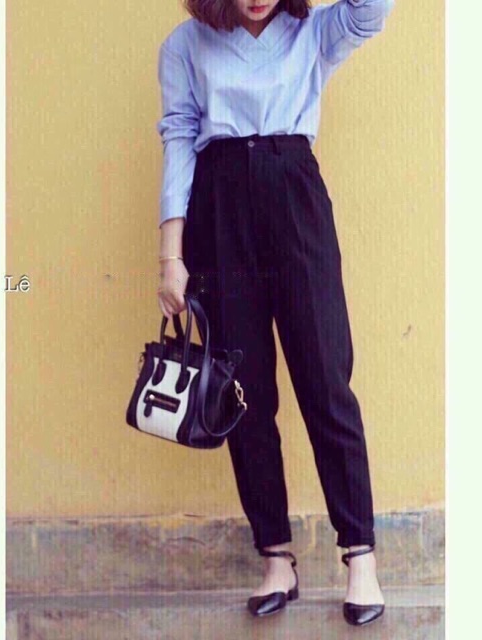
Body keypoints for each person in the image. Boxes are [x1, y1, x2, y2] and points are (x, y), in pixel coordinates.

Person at [155, 0, 395, 626]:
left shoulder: (314, 33)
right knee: (245, 393)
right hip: (219, 213)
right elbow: (179, 139)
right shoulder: (185, 45)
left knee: (326, 381)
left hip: (295, 202)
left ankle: (360, 555)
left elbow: (373, 12)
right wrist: (171, 256)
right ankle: (276, 558)